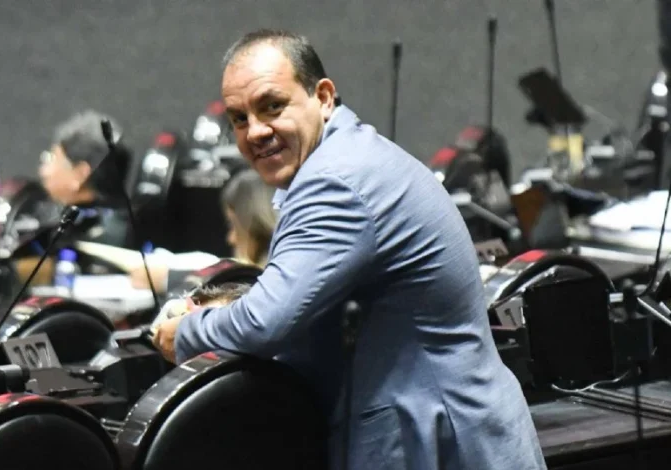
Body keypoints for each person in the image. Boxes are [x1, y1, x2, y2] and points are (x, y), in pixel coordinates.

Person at [152, 29, 546, 469]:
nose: (255, 131)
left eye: (272, 106)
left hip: (437, 443)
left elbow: (266, 323)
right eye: (239, 119)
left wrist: (184, 334)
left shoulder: (334, 182)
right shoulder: (347, 156)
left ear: (322, 97)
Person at [129, 168, 276, 295]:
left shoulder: (252, 284)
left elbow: (144, 277)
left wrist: (169, 278)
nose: (231, 239)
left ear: (258, 227)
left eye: (234, 226)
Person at [38, 110, 133, 247]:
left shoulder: (71, 240)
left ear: (80, 174)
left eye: (51, 159)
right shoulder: (125, 225)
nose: (44, 171)